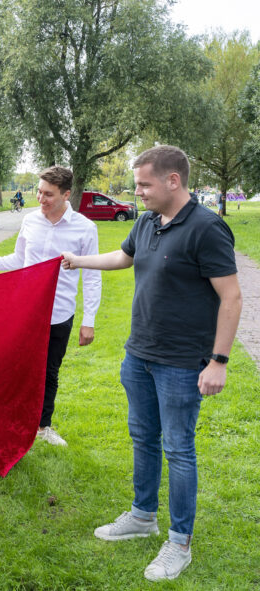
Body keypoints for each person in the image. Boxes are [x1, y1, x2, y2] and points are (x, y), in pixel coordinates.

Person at [62, 145, 242, 582]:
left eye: (144, 183)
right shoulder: (146, 222)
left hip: (182, 363)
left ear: (172, 181)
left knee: (178, 449)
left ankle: (179, 542)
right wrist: (77, 260)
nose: (137, 191)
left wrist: (218, 360)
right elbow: (125, 258)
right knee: (143, 437)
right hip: (138, 355)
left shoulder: (207, 228)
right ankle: (143, 516)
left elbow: (231, 296)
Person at [0, 166, 101, 446]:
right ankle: (7, 419)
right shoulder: (29, 221)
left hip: (59, 313)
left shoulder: (85, 229)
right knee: (13, 365)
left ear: (66, 194)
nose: (41, 198)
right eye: (39, 191)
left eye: (48, 194)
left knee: (49, 372)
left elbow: (91, 276)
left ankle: (42, 427)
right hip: (23, 310)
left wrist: (89, 320)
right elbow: (19, 260)